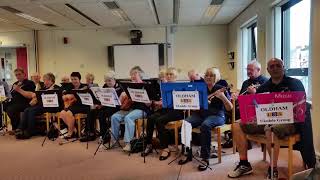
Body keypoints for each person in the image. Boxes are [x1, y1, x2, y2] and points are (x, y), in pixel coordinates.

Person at [228, 58, 306, 180]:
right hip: (266, 118)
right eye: (272, 66)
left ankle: (272, 169)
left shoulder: (295, 83)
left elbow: (301, 106)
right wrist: (252, 99)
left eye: (278, 65)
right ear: (268, 70)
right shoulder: (264, 86)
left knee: (270, 128)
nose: (275, 68)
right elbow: (255, 107)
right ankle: (244, 164)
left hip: (289, 121)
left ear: (283, 67)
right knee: (237, 125)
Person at [179, 67, 233, 171]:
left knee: (205, 125)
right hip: (201, 114)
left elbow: (230, 108)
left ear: (216, 77)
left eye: (211, 75)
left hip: (217, 115)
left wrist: (223, 97)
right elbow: (194, 104)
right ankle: (187, 153)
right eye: (206, 75)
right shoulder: (200, 88)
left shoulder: (221, 88)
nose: (208, 77)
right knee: (186, 123)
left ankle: (205, 158)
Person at [110, 66, 150, 152]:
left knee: (128, 117)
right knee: (114, 117)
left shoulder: (146, 86)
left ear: (140, 75)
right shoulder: (129, 86)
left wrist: (142, 97)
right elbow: (123, 103)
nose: (133, 76)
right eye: (131, 74)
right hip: (131, 109)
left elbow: (149, 104)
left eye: (135, 74)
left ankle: (128, 143)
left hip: (142, 109)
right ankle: (114, 141)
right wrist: (125, 96)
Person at [142, 67, 176, 157]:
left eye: (171, 74)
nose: (168, 76)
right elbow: (163, 101)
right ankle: (149, 144)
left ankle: (165, 148)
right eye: (167, 74)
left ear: (175, 76)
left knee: (159, 120)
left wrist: (162, 103)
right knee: (150, 118)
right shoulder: (164, 87)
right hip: (165, 110)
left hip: (175, 111)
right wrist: (155, 103)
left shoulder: (178, 86)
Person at [15, 73, 60, 139]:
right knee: (27, 109)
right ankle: (20, 128)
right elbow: (36, 96)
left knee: (32, 110)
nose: (45, 82)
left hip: (52, 107)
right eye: (44, 80)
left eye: (47, 80)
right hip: (42, 106)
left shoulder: (57, 88)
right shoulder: (43, 88)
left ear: (52, 80)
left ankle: (30, 131)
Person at [95, 71, 123, 144]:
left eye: (109, 80)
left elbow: (119, 102)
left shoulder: (119, 87)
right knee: (94, 111)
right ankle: (95, 133)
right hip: (107, 105)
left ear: (114, 79)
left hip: (116, 106)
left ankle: (104, 135)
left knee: (102, 114)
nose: (108, 82)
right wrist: (100, 103)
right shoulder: (105, 86)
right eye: (106, 81)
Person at [59, 72, 90, 139]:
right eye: (72, 79)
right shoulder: (70, 87)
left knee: (69, 113)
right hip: (74, 106)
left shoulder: (84, 86)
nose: (73, 81)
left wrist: (73, 97)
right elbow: (64, 97)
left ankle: (70, 133)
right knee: (62, 113)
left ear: (79, 79)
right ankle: (75, 129)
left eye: (75, 79)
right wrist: (66, 96)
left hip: (83, 106)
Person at [4, 68, 35, 133]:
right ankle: (15, 127)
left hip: (25, 103)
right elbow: (10, 94)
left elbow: (31, 95)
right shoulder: (15, 83)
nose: (18, 76)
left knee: (11, 109)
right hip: (14, 102)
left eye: (19, 74)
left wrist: (19, 89)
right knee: (4, 105)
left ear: (24, 74)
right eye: (16, 75)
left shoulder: (30, 83)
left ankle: (17, 128)